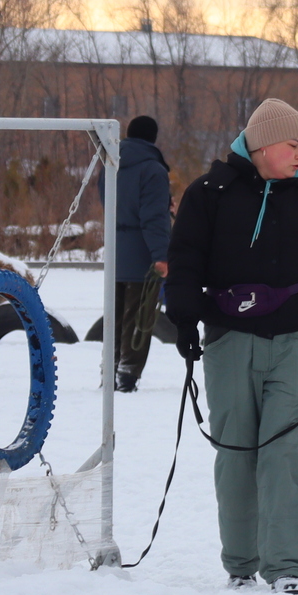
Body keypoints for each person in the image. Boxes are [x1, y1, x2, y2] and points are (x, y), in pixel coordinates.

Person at [166, 97, 298, 595]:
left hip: (294, 342)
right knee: (236, 453)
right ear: (263, 143)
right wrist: (185, 322)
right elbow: (184, 261)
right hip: (229, 342)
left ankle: (286, 568)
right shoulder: (208, 195)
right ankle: (240, 563)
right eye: (293, 145)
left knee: (287, 452)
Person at [112, 114, 172, 393]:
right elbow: (154, 217)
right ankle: (127, 375)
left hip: (114, 252)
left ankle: (110, 370)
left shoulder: (110, 164)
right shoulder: (153, 170)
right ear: (153, 137)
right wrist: (161, 256)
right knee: (138, 319)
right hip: (141, 256)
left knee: (114, 317)